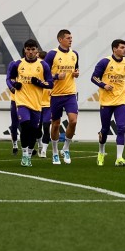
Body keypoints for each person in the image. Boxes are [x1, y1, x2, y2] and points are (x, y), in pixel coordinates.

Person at [8, 40, 54, 167]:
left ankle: (28, 155)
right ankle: (24, 155)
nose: (30, 52)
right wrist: (14, 84)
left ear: (37, 50)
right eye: (28, 49)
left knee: (34, 130)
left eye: (33, 49)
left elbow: (50, 83)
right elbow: (9, 78)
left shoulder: (43, 65)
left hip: (36, 103)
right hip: (22, 101)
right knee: (25, 126)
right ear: (24, 50)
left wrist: (39, 83)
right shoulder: (18, 64)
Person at [92, 39, 125, 167]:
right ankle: (101, 152)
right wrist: (104, 85)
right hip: (106, 102)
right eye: (122, 47)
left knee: (121, 128)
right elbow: (94, 77)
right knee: (105, 130)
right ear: (115, 49)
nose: (124, 50)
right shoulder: (105, 62)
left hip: (121, 101)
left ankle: (119, 158)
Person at [44, 29, 80, 164]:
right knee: (55, 124)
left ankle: (66, 148)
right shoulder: (52, 54)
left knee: (73, 121)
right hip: (56, 95)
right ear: (60, 39)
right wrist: (56, 76)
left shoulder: (74, 54)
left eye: (71, 38)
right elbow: (43, 73)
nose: (71, 40)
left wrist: (76, 73)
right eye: (68, 38)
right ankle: (54, 152)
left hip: (70, 94)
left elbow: (76, 69)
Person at [4, 57, 22, 155]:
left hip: (28, 101)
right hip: (16, 100)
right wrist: (12, 87)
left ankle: (27, 146)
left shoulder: (37, 64)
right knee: (15, 124)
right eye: (29, 50)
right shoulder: (14, 63)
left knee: (27, 124)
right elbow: (8, 79)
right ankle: (15, 145)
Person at [37, 50, 52, 159]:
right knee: (37, 128)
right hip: (36, 104)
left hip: (48, 105)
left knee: (46, 127)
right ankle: (39, 145)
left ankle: (44, 150)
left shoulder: (50, 73)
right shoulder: (35, 73)